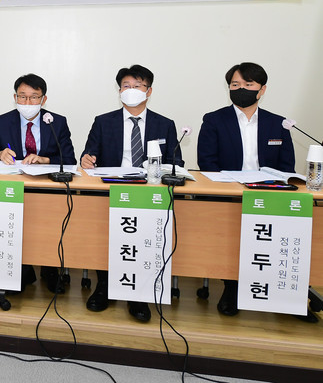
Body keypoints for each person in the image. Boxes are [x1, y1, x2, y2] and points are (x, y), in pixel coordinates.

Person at [196, 62, 311, 321]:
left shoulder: (278, 123)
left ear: (262, 89)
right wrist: (234, 187)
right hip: (230, 195)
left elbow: (286, 166)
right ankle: (232, 288)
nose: (241, 89)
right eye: (235, 85)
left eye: (248, 84)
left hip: (270, 194)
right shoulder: (214, 120)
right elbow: (207, 163)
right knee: (231, 236)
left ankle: (286, 295)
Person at [80, 64, 182, 322]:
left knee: (141, 241)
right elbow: (89, 154)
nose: (132, 90)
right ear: (119, 91)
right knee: (104, 238)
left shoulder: (164, 124)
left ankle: (138, 294)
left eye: (138, 86)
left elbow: (176, 163)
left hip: (148, 194)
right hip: (111, 191)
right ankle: (104, 286)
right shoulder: (103, 122)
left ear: (149, 91)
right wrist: (86, 159)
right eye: (127, 86)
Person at [0, 73, 76, 294]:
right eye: (22, 96)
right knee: (15, 223)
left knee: (48, 223)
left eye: (34, 97)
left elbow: (69, 159)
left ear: (43, 99)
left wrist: (45, 159)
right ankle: (22, 269)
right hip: (14, 188)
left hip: (48, 189)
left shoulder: (57, 122)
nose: (27, 102)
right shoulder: (1, 121)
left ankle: (49, 269)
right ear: (15, 98)